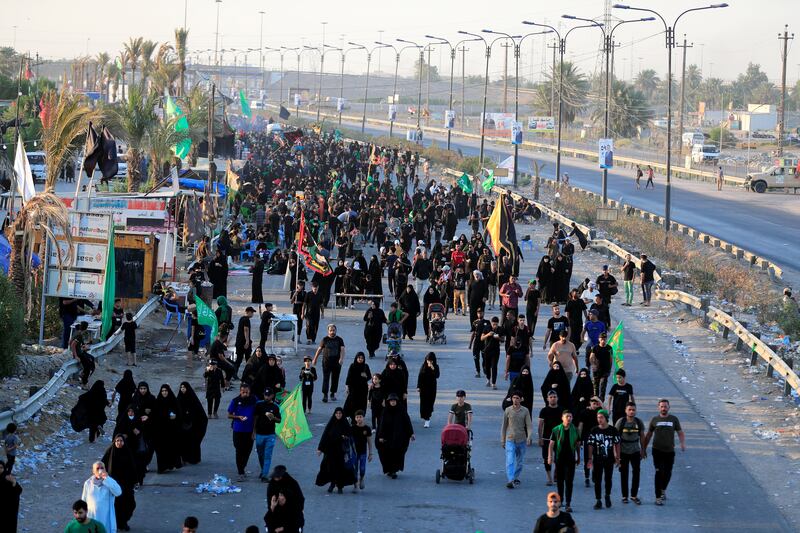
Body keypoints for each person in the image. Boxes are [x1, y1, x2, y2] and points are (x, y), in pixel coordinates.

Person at [643, 398, 686, 505]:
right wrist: (643, 448)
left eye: (665, 406)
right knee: (658, 472)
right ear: (658, 408)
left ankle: (663, 490)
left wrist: (682, 443)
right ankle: (658, 497)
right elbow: (648, 435)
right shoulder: (654, 420)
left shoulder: (674, 419)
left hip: (669, 451)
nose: (663, 408)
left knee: (668, 473)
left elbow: (680, 432)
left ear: (669, 407)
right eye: (661, 406)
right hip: (657, 451)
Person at [315, 407, 356, 494]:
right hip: (330, 450)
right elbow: (325, 436)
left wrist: (345, 437)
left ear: (342, 414)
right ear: (334, 414)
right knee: (330, 467)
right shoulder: (331, 423)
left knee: (341, 468)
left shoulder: (345, 424)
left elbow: (350, 435)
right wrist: (320, 448)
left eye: (340, 413)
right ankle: (332, 484)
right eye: (337, 413)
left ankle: (340, 486)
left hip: (341, 451)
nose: (338, 415)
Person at [101, 435, 137, 531]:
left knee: (130, 504)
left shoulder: (128, 453)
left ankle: (123, 522)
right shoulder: (110, 452)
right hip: (113, 485)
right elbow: (101, 465)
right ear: (114, 442)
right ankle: (117, 524)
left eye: (121, 441)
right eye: (117, 441)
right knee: (115, 506)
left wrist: (134, 481)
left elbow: (133, 468)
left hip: (126, 485)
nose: (119, 443)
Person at [586, 409, 620, 510]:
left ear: (606, 418)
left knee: (608, 479)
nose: (599, 419)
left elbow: (617, 444)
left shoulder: (613, 430)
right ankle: (598, 500)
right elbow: (590, 445)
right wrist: (589, 458)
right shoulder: (594, 430)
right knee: (598, 480)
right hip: (597, 459)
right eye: (598, 417)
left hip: (609, 459)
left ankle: (607, 496)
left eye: (601, 417)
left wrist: (618, 457)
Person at [548, 410, 581, 512]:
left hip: (570, 459)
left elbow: (577, 444)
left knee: (569, 481)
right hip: (559, 459)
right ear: (562, 418)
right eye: (567, 416)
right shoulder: (556, 430)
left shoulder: (575, 430)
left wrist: (578, 457)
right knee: (560, 481)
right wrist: (550, 456)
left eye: (570, 417)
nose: (569, 418)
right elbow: (551, 444)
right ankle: (560, 500)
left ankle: (568, 503)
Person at [376, 393, 415, 479]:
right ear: (388, 402)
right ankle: (390, 470)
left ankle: (394, 470)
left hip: (399, 438)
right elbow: (381, 424)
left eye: (394, 401)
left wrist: (411, 434)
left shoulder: (401, 410)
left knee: (398, 454)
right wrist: (381, 436)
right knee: (387, 454)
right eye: (391, 401)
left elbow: (407, 422)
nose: (393, 402)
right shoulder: (385, 411)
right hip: (387, 438)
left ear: (397, 401)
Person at [501, 390, 533, 489]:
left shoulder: (525, 411)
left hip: (522, 440)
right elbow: (504, 426)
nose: (515, 400)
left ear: (521, 399)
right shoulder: (508, 410)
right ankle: (510, 480)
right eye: (514, 398)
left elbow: (529, 425)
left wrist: (529, 437)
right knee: (510, 460)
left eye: (517, 398)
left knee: (520, 462)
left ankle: (515, 477)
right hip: (510, 439)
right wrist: (502, 440)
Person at [615, 402, 646, 505]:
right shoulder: (621, 422)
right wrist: (616, 454)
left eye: (633, 409)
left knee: (636, 473)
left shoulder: (638, 422)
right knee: (624, 474)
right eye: (629, 409)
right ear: (625, 410)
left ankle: (634, 495)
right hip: (623, 451)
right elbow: (615, 439)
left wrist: (643, 450)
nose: (632, 411)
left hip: (635, 451)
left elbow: (642, 436)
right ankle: (624, 496)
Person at [80, 461, 122, 533]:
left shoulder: (109, 481)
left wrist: (107, 479)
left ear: (105, 469)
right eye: (97, 468)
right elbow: (84, 500)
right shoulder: (88, 483)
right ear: (93, 471)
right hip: (92, 515)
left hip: (105, 516)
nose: (100, 470)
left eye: (102, 468)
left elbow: (118, 492)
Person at [227, 383, 258, 480]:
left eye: (247, 392)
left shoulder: (254, 400)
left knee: (247, 451)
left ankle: (242, 467)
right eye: (243, 392)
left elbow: (257, 415)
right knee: (239, 450)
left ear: (250, 391)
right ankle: (240, 471)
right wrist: (238, 417)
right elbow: (229, 415)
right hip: (238, 430)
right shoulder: (235, 401)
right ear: (240, 391)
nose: (245, 394)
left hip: (249, 430)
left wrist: (254, 431)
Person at [311, 324, 346, 403]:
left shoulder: (339, 339)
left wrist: (341, 359)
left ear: (335, 330)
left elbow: (342, 349)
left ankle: (333, 393)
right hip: (326, 362)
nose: (332, 332)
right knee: (326, 378)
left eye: (333, 330)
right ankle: (325, 395)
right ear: (328, 331)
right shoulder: (325, 339)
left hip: (336, 363)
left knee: (335, 378)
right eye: (331, 330)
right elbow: (319, 349)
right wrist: (315, 359)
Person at [152, 384, 182, 473]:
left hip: (171, 430)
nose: (164, 392)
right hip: (160, 430)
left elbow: (179, 413)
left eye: (166, 391)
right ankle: (161, 467)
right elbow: (155, 415)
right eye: (163, 391)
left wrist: (175, 416)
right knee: (160, 449)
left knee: (170, 448)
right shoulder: (158, 401)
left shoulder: (173, 401)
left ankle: (169, 465)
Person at [253, 387, 282, 482]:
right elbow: (255, 418)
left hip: (270, 435)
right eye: (265, 395)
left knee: (267, 456)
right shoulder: (259, 405)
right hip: (260, 434)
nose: (267, 397)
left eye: (269, 395)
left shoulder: (275, 407)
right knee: (260, 454)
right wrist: (253, 432)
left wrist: (273, 417)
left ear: (272, 396)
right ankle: (263, 470)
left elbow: (279, 420)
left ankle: (264, 475)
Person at [176, 382, 208, 465]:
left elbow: (201, 414)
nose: (182, 389)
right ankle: (184, 459)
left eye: (184, 387)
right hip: (182, 425)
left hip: (193, 425)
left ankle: (193, 458)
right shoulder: (179, 398)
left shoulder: (192, 399)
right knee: (182, 442)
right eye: (181, 387)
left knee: (193, 442)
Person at [267, 465, 305, 530]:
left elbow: (300, 499)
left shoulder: (292, 483)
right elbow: (270, 499)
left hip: (293, 513)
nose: (276, 479)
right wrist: (272, 508)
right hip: (277, 513)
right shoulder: (272, 484)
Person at [537, 391, 562, 486]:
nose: (553, 398)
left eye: (554, 397)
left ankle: (556, 472)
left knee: (559, 458)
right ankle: (549, 478)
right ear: (547, 399)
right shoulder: (544, 411)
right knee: (546, 458)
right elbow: (540, 425)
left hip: (559, 438)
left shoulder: (561, 410)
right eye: (551, 397)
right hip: (547, 438)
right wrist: (540, 438)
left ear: (557, 398)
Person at [343, 352, 372, 420]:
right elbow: (349, 376)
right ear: (356, 358)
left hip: (363, 388)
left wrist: (366, 376)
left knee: (361, 403)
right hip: (353, 387)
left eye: (362, 358)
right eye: (359, 358)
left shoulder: (365, 366)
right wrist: (347, 387)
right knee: (351, 402)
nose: (360, 359)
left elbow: (369, 376)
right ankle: (349, 415)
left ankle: (360, 416)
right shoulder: (352, 366)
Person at [416, 352, 440, 428]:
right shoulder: (423, 366)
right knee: (423, 403)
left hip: (432, 387)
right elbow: (420, 376)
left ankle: (427, 418)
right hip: (423, 387)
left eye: (431, 360)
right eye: (428, 360)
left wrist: (432, 367)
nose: (429, 362)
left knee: (430, 402)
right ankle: (425, 416)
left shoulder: (436, 366)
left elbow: (437, 375)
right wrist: (418, 387)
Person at [352, 410, 373, 491]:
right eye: (357, 417)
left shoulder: (367, 429)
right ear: (355, 418)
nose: (359, 419)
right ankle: (355, 484)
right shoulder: (352, 428)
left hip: (363, 452)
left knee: (362, 468)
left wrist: (370, 453)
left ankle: (362, 478)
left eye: (360, 417)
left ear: (363, 418)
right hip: (354, 452)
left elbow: (369, 442)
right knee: (355, 468)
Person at [481, 316, 504, 389]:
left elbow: (503, 340)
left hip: (496, 350)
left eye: (496, 324)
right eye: (493, 324)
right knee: (487, 366)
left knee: (494, 367)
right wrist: (488, 334)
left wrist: (498, 338)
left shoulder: (500, 329)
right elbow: (481, 338)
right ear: (491, 323)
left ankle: (494, 383)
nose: (495, 326)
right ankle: (488, 379)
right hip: (487, 350)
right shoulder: (487, 328)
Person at [588, 333, 613, 400]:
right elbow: (591, 357)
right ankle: (596, 400)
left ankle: (601, 400)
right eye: (602, 339)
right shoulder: (595, 348)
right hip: (596, 370)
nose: (603, 341)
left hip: (605, 370)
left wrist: (610, 369)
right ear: (599, 339)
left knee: (603, 385)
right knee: (596, 386)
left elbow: (611, 359)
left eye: (604, 339)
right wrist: (593, 365)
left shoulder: (609, 348)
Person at [0, 460, 22, 533]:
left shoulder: (8, 478)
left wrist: (14, 482)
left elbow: (19, 490)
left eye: (1, 468)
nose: (0, 470)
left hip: (8, 510)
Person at [469, 307, 491, 378]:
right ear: (477, 314)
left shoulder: (487, 322)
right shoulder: (475, 322)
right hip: (477, 342)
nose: (480, 314)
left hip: (484, 342)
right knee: (476, 357)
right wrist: (470, 344)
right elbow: (473, 333)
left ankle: (484, 367)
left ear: (483, 313)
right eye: (478, 313)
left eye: (481, 312)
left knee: (484, 357)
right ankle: (478, 371)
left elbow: (489, 333)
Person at [234, 307, 255, 378]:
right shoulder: (246, 320)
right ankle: (249, 374)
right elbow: (246, 330)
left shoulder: (242, 318)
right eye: (252, 312)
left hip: (239, 342)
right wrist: (247, 341)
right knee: (248, 359)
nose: (252, 314)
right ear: (248, 312)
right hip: (243, 343)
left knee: (240, 359)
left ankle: (236, 373)